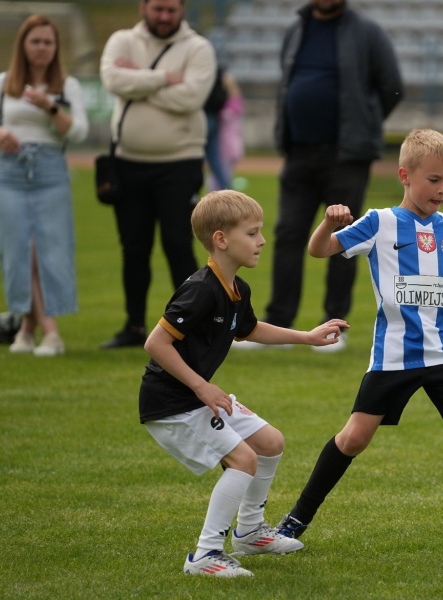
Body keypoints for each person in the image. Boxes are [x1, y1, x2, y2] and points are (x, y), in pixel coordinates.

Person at [270, 129, 443, 561]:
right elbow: (320, 250)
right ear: (404, 175)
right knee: (354, 439)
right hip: (395, 355)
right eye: (433, 180)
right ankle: (293, 522)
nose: (442, 190)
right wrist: (327, 222)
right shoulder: (379, 222)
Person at [139, 189, 349, 578]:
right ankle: (205, 554)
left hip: (194, 397)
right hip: (171, 404)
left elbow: (248, 329)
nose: (262, 241)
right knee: (244, 460)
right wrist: (202, 387)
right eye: (252, 233)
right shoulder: (200, 289)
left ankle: (250, 533)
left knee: (270, 442)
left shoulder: (236, 287)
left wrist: (306, 336)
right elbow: (157, 343)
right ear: (221, 240)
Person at [251, 0, 403, 353]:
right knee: (286, 235)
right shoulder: (297, 29)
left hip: (346, 155)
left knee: (343, 239)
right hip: (299, 152)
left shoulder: (366, 31)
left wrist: (363, 124)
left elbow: (392, 86)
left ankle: (333, 328)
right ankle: (279, 325)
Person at [99, 0, 217, 349]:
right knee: (134, 248)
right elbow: (112, 80)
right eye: (157, 9)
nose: (164, 16)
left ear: (181, 11)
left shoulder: (197, 47)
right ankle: (134, 326)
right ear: (143, 7)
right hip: (127, 163)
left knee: (178, 244)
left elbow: (192, 97)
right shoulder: (122, 40)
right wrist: (166, 78)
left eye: (171, 10)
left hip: (180, 163)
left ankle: (192, 327)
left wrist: (138, 82)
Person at [0, 14, 88, 357]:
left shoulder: (67, 86)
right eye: (35, 41)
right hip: (9, 173)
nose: (41, 48)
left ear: (56, 47)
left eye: (48, 42)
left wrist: (50, 106)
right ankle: (27, 329)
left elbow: (78, 131)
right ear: (23, 45)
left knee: (45, 251)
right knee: (18, 251)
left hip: (50, 172)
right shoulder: (6, 82)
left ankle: (46, 332)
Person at [202, 64, 232, 192]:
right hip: (213, 118)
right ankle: (229, 190)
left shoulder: (203, 71)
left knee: (193, 158)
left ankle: (192, 192)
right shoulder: (217, 72)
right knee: (215, 160)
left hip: (202, 117)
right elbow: (224, 97)